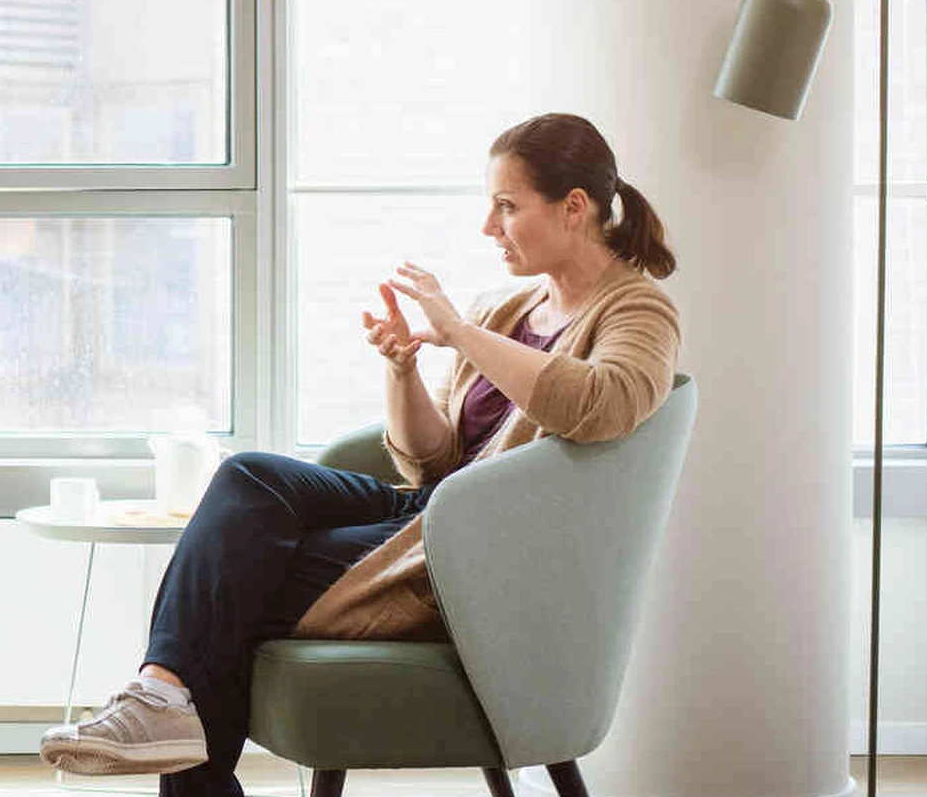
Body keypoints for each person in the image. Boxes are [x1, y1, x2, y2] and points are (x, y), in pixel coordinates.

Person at [40, 113, 682, 797]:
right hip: (433, 509)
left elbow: (603, 405)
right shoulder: (506, 308)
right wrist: (403, 369)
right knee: (249, 476)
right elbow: (433, 463)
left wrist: (459, 333)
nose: (488, 227)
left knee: (233, 580)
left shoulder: (638, 311)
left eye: (506, 206)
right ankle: (160, 693)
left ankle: (159, 697)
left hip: (476, 555)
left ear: (574, 207)